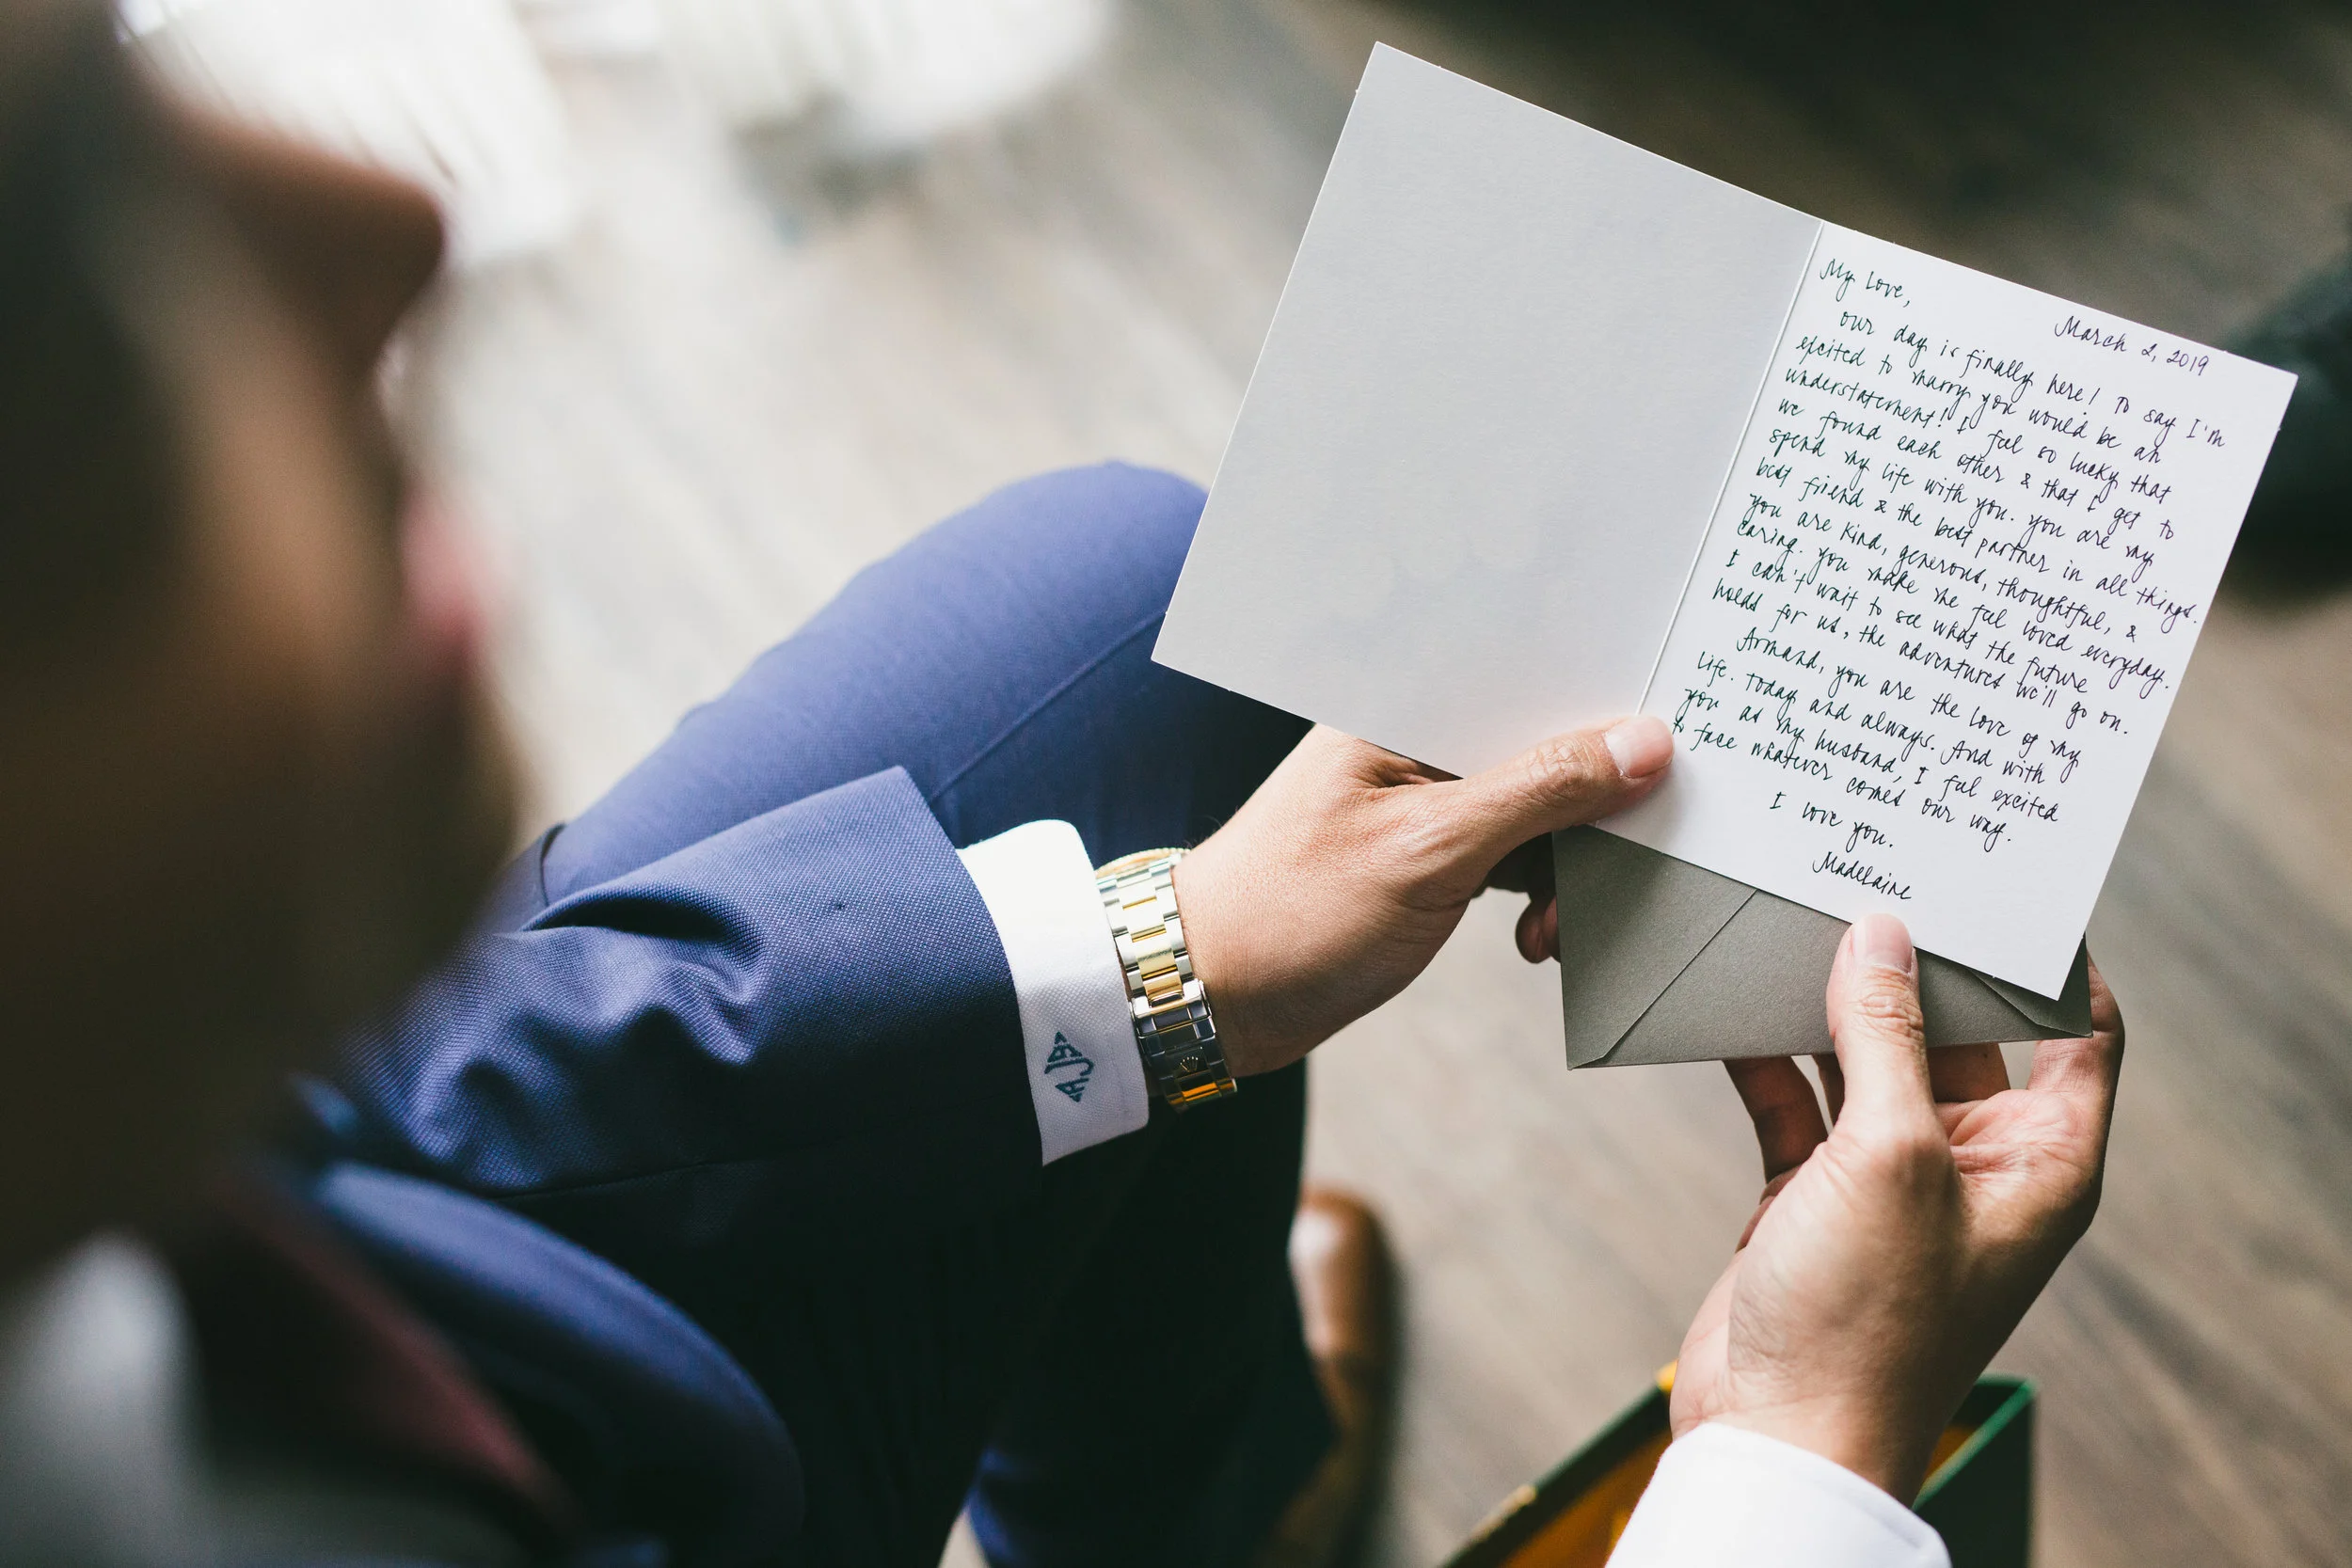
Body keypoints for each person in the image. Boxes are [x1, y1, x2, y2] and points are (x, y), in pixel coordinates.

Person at [0, 2, 2123, 1565]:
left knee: (1127, 607)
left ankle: (1170, 1513)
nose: (397, 223)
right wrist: (1789, 1450)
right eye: (68, 322)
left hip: (491, 1298)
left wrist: (1160, 956)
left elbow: (380, 1106)